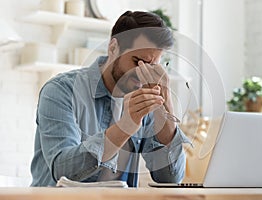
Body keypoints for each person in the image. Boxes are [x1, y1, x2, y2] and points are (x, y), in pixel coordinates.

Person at [30, 10, 190, 187]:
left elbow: (171, 178)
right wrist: (125, 127)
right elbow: (63, 171)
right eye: (137, 62)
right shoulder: (61, 91)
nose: (142, 73)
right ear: (113, 47)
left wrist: (165, 107)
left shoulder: (146, 97)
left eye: (152, 65)